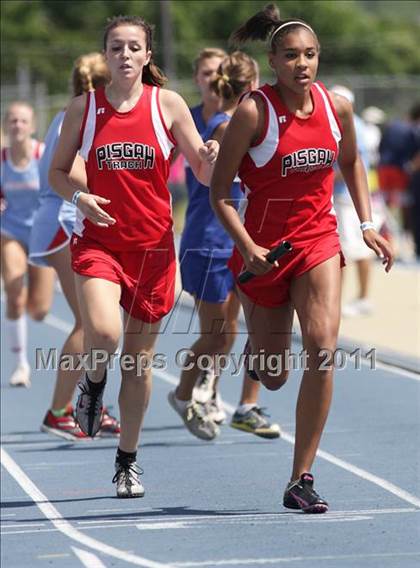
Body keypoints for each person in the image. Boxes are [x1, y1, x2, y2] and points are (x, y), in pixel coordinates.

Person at [210, 4, 393, 513]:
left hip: (317, 242)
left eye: (310, 55)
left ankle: (301, 478)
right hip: (263, 252)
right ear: (272, 60)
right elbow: (220, 194)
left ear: (319, 58)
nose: (302, 64)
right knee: (273, 374)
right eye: (291, 55)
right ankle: (258, 354)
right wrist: (248, 247)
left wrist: (367, 224)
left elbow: (353, 162)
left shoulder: (338, 109)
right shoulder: (254, 111)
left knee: (322, 347)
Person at [49, 15, 218, 498]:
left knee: (139, 364)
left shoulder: (167, 104)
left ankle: (127, 460)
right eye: (116, 47)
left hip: (153, 248)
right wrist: (79, 198)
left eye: (134, 47)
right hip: (99, 240)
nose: (125, 54)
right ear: (105, 56)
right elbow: (58, 173)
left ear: (147, 55)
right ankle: (92, 384)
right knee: (102, 331)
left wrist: (208, 154)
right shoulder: (85, 108)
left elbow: (203, 175)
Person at [169, 50, 280, 441]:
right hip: (209, 241)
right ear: (251, 88)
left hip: (243, 241)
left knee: (250, 328)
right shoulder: (221, 125)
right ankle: (186, 391)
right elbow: (211, 152)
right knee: (219, 333)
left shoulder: (251, 126)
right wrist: (212, 150)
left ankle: (244, 404)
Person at [29, 52, 120, 440]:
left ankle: (83, 404)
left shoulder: (72, 113)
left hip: (60, 218)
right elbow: (75, 174)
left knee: (94, 323)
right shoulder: (82, 117)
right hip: (63, 220)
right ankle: (61, 409)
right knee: (88, 323)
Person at [1, 102, 55, 388]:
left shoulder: (42, 154)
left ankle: (32, 308)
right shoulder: (1, 158)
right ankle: (21, 364)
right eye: (12, 121)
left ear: (32, 126)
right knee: (13, 292)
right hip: (10, 231)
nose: (17, 126)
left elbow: (59, 185)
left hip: (42, 234)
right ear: (6, 125)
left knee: (40, 309)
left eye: (23, 121)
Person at [331, 85, 384, 317]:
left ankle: (360, 298)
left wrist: (322, 177)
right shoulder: (350, 123)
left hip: (346, 196)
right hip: (341, 195)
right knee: (344, 248)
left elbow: (353, 163)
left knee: (354, 248)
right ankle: (344, 299)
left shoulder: (353, 125)